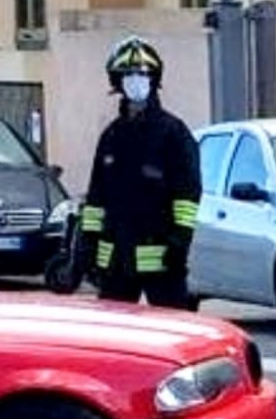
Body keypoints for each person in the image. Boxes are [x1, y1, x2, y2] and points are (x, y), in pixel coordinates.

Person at [79, 35, 202, 310]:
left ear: (154, 80)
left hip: (162, 259)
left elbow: (188, 194)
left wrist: (179, 242)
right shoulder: (111, 136)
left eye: (143, 74)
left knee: (173, 334)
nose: (136, 81)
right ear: (117, 82)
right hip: (115, 262)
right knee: (113, 341)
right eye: (129, 74)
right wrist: (87, 247)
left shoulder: (173, 134)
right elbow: (96, 198)